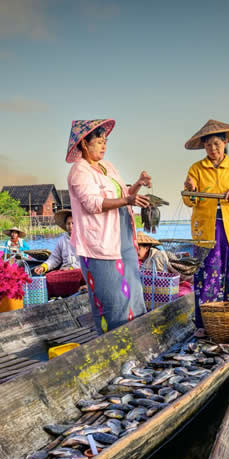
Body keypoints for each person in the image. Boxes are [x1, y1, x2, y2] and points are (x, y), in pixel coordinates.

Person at [66, 118, 152, 334]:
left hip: (122, 235)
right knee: (113, 297)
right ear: (85, 144)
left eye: (105, 141)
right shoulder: (79, 171)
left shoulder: (108, 167)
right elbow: (93, 204)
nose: (104, 145)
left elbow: (124, 195)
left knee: (133, 290)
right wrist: (127, 201)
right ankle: (112, 341)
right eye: (99, 141)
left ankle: (137, 337)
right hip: (99, 243)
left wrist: (138, 185)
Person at [183, 119, 229, 336]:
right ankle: (206, 325)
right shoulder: (196, 169)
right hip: (206, 230)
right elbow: (189, 200)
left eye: (216, 144)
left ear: (225, 143)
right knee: (208, 274)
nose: (212, 149)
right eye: (208, 146)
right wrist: (190, 190)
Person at [34, 210, 80, 274]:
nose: (70, 226)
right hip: (64, 271)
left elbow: (84, 260)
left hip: (79, 271)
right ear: (65, 225)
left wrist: (71, 269)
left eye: (73, 223)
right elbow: (55, 258)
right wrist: (44, 267)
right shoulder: (62, 240)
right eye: (68, 223)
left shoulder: (82, 240)